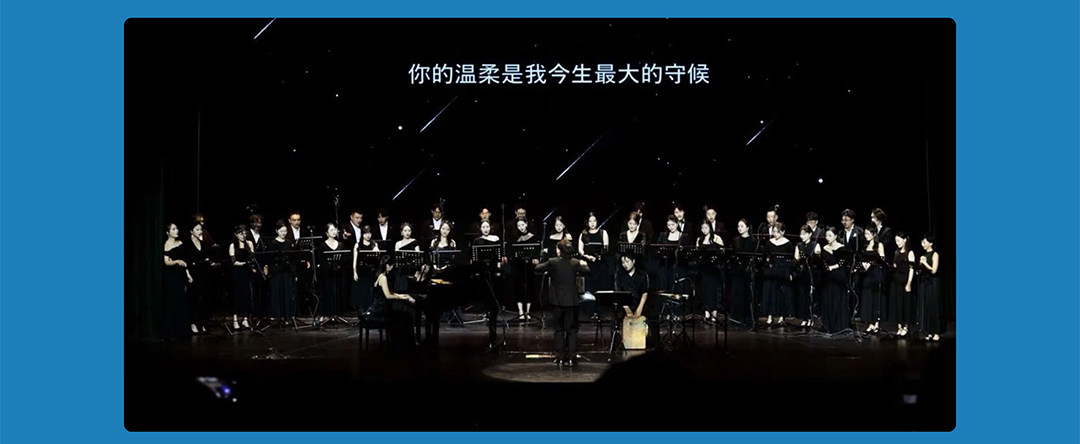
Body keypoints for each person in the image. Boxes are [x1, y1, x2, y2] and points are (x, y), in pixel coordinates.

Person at [534, 239, 591, 367]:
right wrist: (584, 263)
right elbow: (587, 271)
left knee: (559, 330)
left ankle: (560, 357)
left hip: (557, 302)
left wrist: (546, 267)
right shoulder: (575, 263)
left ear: (559, 250)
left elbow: (537, 268)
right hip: (572, 301)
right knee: (572, 331)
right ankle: (571, 358)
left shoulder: (552, 262)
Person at [373, 254, 418, 349]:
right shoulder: (383, 278)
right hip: (381, 310)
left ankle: (400, 343)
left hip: (381, 307)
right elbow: (388, 296)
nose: (393, 267)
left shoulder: (380, 276)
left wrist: (402, 295)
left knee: (405, 316)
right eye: (392, 265)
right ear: (387, 265)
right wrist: (401, 298)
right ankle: (404, 345)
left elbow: (389, 292)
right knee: (406, 317)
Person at [614, 252, 657, 348]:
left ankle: (652, 344)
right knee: (617, 316)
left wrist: (640, 308)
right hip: (624, 305)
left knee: (653, 316)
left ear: (633, 261)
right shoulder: (619, 275)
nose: (624, 265)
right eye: (622, 262)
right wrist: (627, 309)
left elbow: (645, 293)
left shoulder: (642, 274)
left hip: (639, 303)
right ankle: (620, 343)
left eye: (627, 262)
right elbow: (619, 293)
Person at [264, 220, 298, 327]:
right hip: (277, 272)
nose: (283, 233)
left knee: (288, 294)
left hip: (287, 272)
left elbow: (293, 259)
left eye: (285, 231)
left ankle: (288, 317)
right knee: (278, 294)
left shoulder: (289, 242)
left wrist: (294, 274)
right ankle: (279, 317)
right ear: (277, 231)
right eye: (281, 231)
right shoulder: (273, 243)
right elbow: (269, 259)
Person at [578, 212, 611, 321]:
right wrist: (587, 256)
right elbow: (580, 250)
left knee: (600, 288)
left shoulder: (603, 233)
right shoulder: (583, 234)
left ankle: (599, 312)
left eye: (594, 221)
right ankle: (590, 312)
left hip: (600, 264)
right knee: (589, 288)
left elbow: (606, 248)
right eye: (590, 221)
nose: (592, 223)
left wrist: (599, 256)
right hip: (588, 265)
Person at [163, 223, 193, 340]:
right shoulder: (166, 244)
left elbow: (185, 261)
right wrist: (176, 261)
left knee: (183, 302)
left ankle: (183, 330)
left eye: (177, 228)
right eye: (174, 229)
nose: (176, 230)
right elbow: (166, 262)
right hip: (172, 276)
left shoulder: (180, 243)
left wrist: (188, 274)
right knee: (173, 302)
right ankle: (173, 331)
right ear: (168, 232)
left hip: (181, 275)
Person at [762, 222, 795, 326]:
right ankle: (770, 316)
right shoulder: (769, 242)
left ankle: (781, 317)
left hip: (783, 270)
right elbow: (765, 256)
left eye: (777, 232)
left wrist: (790, 273)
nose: (775, 234)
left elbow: (791, 259)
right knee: (770, 293)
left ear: (783, 232)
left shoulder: (788, 243)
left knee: (781, 293)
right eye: (774, 232)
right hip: (772, 270)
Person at [315, 223, 348, 325]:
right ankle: (327, 315)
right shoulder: (322, 246)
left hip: (338, 274)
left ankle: (336, 314)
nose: (334, 232)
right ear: (327, 233)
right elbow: (320, 262)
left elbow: (344, 260)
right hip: (327, 275)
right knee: (327, 293)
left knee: (337, 292)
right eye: (331, 230)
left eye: (335, 230)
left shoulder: (341, 245)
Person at [821, 227, 850, 333]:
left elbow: (842, 263)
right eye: (826, 235)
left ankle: (838, 325)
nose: (827, 238)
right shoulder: (824, 248)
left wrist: (832, 267)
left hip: (838, 275)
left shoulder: (841, 248)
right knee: (828, 298)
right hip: (827, 277)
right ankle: (827, 324)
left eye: (830, 235)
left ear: (836, 236)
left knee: (837, 298)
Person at [509, 218, 539, 321]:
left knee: (529, 287)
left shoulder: (533, 237)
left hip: (529, 266)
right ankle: (521, 312)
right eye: (519, 226)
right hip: (518, 266)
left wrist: (536, 259)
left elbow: (536, 252)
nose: (521, 227)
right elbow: (512, 252)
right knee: (518, 288)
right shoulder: (515, 238)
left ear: (526, 224)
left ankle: (528, 312)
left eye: (522, 225)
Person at [228, 225, 257, 330]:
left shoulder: (249, 244)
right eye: (241, 233)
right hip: (238, 272)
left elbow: (253, 258)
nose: (243, 235)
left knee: (247, 295)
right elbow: (233, 262)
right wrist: (244, 263)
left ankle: (245, 319)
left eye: (245, 233)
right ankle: (235, 319)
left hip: (247, 272)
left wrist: (252, 266)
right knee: (237, 296)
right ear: (236, 234)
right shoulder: (233, 245)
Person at [859, 226, 887, 333]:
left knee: (876, 298)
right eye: (865, 234)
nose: (866, 236)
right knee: (868, 297)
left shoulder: (879, 245)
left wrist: (871, 263)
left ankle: (876, 323)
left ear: (874, 234)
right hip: (867, 274)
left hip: (876, 273)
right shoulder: (865, 245)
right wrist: (863, 264)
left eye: (868, 234)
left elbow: (882, 259)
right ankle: (869, 322)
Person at [793, 224, 822, 327]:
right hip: (802, 273)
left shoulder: (815, 245)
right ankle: (804, 318)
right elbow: (796, 259)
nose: (802, 236)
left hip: (812, 273)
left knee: (811, 296)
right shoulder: (799, 245)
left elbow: (818, 259)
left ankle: (811, 318)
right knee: (802, 296)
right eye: (801, 234)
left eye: (804, 234)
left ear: (810, 234)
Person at [729, 219, 757, 326]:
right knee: (736, 294)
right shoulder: (735, 240)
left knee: (747, 294)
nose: (739, 228)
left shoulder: (753, 241)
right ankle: (735, 317)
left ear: (747, 227)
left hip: (747, 271)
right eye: (738, 226)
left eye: (742, 226)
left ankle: (747, 317)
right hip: (737, 271)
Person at [697, 220, 725, 323]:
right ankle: (706, 313)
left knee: (714, 291)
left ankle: (714, 313)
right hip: (704, 268)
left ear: (710, 228)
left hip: (714, 269)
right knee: (705, 290)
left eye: (706, 228)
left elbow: (722, 252)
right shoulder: (699, 239)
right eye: (702, 228)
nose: (704, 230)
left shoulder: (716, 238)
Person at [888, 232, 916, 337]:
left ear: (905, 240)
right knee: (898, 304)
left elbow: (911, 269)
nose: (897, 243)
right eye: (896, 241)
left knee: (906, 305)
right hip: (896, 281)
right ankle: (899, 326)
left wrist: (909, 283)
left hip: (905, 281)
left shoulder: (910, 253)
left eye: (899, 240)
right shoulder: (897, 252)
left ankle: (906, 326)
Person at [917, 234, 941, 341]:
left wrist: (925, 263)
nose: (922, 244)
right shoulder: (923, 255)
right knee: (925, 306)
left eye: (924, 242)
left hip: (932, 282)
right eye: (922, 242)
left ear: (930, 243)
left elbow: (934, 270)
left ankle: (936, 332)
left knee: (933, 306)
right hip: (924, 282)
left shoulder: (935, 254)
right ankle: (929, 331)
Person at [352, 225, 379, 312]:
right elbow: (355, 260)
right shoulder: (357, 245)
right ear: (362, 234)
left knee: (370, 291)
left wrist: (376, 251)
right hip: (361, 270)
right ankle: (361, 311)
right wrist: (354, 272)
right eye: (366, 233)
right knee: (361, 291)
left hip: (371, 270)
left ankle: (369, 311)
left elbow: (378, 260)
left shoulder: (374, 244)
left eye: (369, 233)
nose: (368, 235)